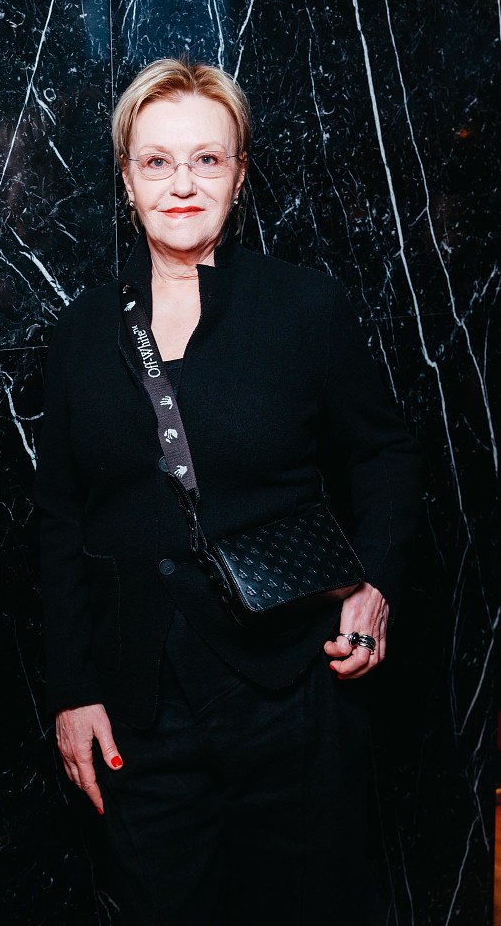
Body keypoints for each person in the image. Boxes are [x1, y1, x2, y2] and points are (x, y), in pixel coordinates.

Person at [34, 58, 423, 925]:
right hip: (138, 708)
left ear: (239, 175)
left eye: (206, 160)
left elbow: (385, 454)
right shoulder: (81, 331)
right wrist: (72, 689)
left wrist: (376, 584)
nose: (182, 184)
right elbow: (59, 519)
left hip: (294, 691)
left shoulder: (305, 307)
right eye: (157, 161)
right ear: (127, 178)